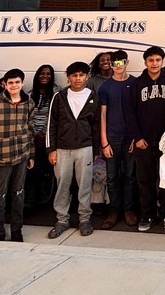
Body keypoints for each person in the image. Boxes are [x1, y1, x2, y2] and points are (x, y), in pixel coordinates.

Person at [0, 69, 35, 242]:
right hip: (0, 157)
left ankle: (16, 229)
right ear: (5, 84)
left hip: (21, 155)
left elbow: (30, 130)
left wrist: (31, 154)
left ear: (22, 83)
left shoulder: (29, 103)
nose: (14, 85)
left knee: (18, 193)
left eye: (17, 82)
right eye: (10, 83)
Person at [47, 61, 99, 238]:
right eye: (74, 75)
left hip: (85, 148)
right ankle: (62, 219)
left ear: (87, 77)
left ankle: (85, 219)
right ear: (68, 77)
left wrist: (96, 149)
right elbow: (51, 125)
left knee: (84, 185)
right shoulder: (59, 97)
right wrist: (51, 150)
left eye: (81, 75)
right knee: (63, 185)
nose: (78, 78)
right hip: (62, 149)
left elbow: (96, 125)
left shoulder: (93, 96)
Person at [129, 46, 165, 232]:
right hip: (144, 141)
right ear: (145, 62)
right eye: (151, 60)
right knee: (145, 180)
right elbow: (130, 112)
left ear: (163, 61)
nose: (154, 63)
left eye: (158, 60)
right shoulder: (137, 84)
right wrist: (137, 137)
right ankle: (147, 214)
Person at [98, 50, 138, 229]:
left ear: (127, 62)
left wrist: (135, 137)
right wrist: (104, 141)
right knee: (112, 176)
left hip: (130, 138)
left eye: (121, 62)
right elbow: (103, 115)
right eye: (114, 63)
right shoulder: (106, 87)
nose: (117, 66)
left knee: (130, 176)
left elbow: (138, 113)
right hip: (112, 138)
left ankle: (129, 210)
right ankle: (114, 211)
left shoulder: (135, 83)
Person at [26, 64, 57, 205]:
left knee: (47, 169)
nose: (45, 76)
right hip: (32, 139)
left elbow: (54, 116)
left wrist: (43, 134)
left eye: (48, 74)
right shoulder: (30, 94)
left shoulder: (56, 93)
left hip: (48, 137)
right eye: (42, 73)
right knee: (32, 169)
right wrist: (35, 134)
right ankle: (31, 199)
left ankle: (46, 198)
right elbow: (27, 117)